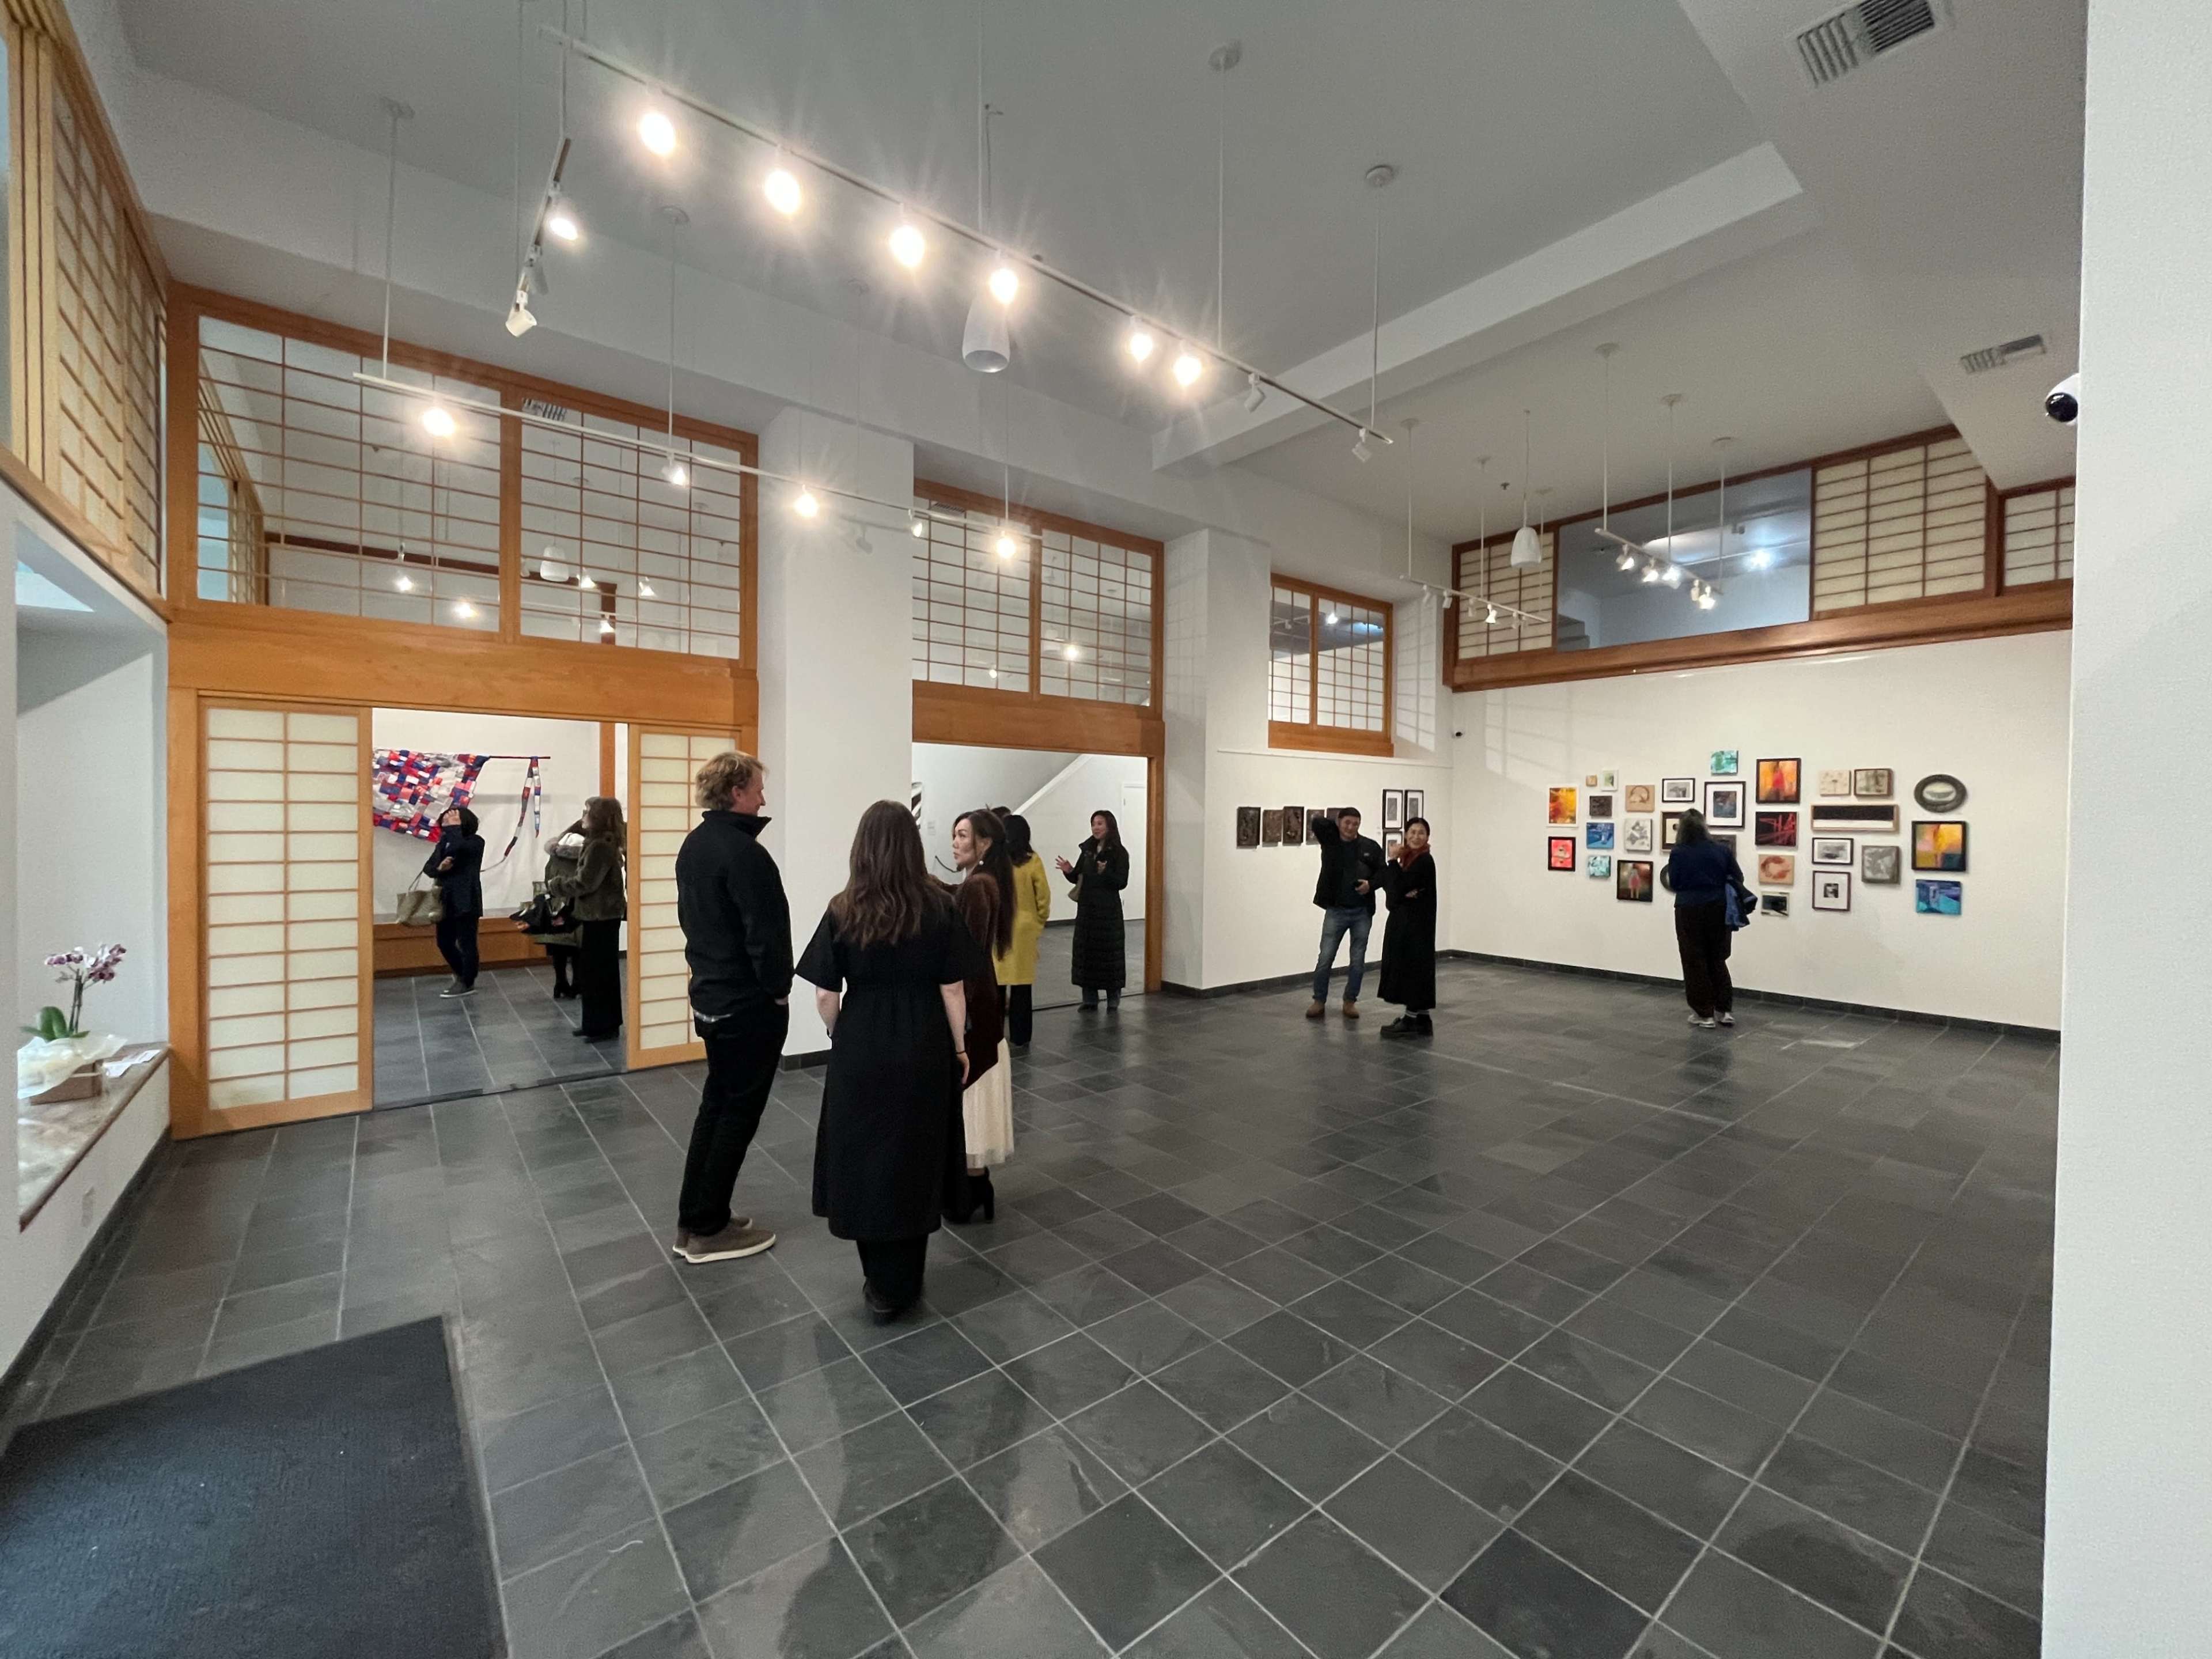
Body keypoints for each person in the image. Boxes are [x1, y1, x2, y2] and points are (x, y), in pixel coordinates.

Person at [798, 801, 975, 1320]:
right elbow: (953, 988)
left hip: (862, 1044)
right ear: (912, 847)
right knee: (916, 1155)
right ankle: (907, 1280)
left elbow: (825, 994)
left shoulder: (843, 908)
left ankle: (880, 1282)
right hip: (924, 1042)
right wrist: (959, 1048)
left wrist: (839, 1033)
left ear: (863, 849)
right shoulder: (940, 906)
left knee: (864, 1157)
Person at [671, 752, 791, 1265]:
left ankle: (697, 1217)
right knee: (737, 1114)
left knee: (717, 1106)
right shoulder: (745, 854)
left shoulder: (696, 845)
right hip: (746, 1004)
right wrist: (779, 990)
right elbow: (766, 935)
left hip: (711, 996)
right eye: (758, 788)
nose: (764, 797)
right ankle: (708, 1230)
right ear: (737, 791)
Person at [948, 808, 1014, 1221]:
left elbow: (967, 955)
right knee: (973, 1089)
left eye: (962, 835)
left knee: (971, 1088)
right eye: (955, 835)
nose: (955, 842)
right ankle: (974, 1183)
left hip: (976, 1003)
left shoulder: (979, 886)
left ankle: (972, 1186)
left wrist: (959, 1014)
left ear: (984, 843)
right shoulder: (983, 881)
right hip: (984, 999)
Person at [547, 796, 626, 1043]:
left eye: (587, 811)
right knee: (595, 972)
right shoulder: (598, 843)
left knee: (599, 974)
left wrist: (556, 885)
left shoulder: (600, 846)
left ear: (598, 817)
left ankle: (604, 1026)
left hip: (601, 916)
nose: (583, 816)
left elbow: (585, 883)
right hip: (599, 915)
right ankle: (595, 1024)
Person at [1665, 808, 1749, 1030]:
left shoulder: (1679, 853)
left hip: (1689, 908)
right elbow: (1738, 877)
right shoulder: (1721, 850)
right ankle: (1724, 1010)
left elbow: (1675, 883)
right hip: (1719, 908)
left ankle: (1704, 1014)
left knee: (1694, 960)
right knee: (1717, 958)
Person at [1306, 808, 1386, 1020]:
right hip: (1336, 910)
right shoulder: (1331, 842)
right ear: (1339, 822)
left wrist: (1371, 885)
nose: (1351, 827)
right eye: (1347, 823)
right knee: (1325, 958)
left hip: (1362, 912)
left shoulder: (1370, 847)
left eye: (1355, 824)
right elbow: (1317, 822)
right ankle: (1319, 1000)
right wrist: (1336, 826)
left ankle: (1350, 1001)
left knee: (1357, 960)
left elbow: (1383, 872)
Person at [1055, 810, 1129, 1011]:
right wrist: (1069, 871)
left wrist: (1106, 872)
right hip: (1087, 911)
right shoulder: (1088, 850)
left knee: (1109, 956)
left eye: (1100, 824)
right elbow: (1078, 877)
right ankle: (1090, 999)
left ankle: (1113, 999)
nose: (1096, 828)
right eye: (1093, 824)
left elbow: (1121, 882)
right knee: (1087, 955)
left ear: (1110, 826)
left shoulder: (1119, 853)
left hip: (1108, 912)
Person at [993, 809, 1051, 1048]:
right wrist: (1039, 922)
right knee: (1022, 987)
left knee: (997, 985)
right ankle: (1021, 1036)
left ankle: (994, 1035)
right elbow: (1043, 896)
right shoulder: (1032, 860)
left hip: (998, 926)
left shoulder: (995, 860)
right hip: (1025, 928)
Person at [1378, 817, 1438, 1039]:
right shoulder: (1410, 859)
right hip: (1408, 923)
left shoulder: (1423, 860)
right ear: (1406, 835)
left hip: (1415, 926)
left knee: (1413, 969)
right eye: (1412, 832)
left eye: (1421, 833)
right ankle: (1423, 1019)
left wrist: (1392, 861)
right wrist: (1402, 892)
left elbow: (1400, 887)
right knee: (1414, 968)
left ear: (1427, 837)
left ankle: (1411, 1019)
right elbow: (1395, 892)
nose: (1416, 837)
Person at [425, 805, 485, 998]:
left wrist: (453, 829)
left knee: (467, 943)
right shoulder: (444, 842)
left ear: (464, 822)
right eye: (445, 820)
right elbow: (429, 868)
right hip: (445, 899)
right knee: (444, 942)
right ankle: (463, 974)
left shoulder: (475, 842)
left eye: (453, 819)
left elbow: (460, 847)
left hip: (466, 899)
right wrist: (440, 869)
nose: (447, 822)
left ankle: (467, 982)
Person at [533, 815, 586, 998]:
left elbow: (548, 876)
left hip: (556, 905)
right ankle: (578, 984)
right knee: (578, 949)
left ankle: (560, 983)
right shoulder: (587, 853)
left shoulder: (555, 852)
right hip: (577, 905)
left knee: (559, 947)